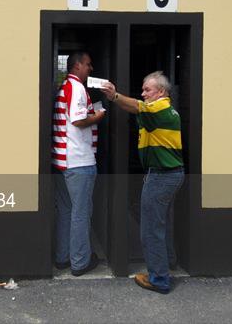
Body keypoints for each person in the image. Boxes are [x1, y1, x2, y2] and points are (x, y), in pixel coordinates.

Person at [101, 71, 184, 294]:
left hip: (161, 176)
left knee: (151, 229)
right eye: (143, 89)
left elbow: (138, 107)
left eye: (148, 90)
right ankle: (168, 263)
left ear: (162, 92)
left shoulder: (160, 107)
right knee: (161, 223)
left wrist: (114, 96)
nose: (143, 93)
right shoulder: (167, 110)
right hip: (169, 174)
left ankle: (159, 279)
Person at [52, 51, 106, 276]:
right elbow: (78, 120)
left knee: (66, 211)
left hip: (62, 160)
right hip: (79, 162)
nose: (90, 68)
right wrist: (98, 115)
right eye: (88, 64)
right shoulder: (76, 88)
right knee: (81, 213)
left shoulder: (63, 88)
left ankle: (63, 257)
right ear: (76, 66)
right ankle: (80, 262)